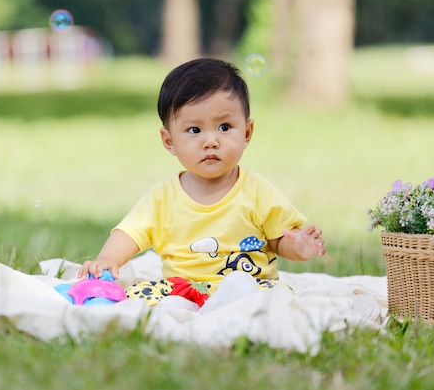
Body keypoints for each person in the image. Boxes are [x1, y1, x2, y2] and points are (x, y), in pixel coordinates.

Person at [78, 58, 325, 313]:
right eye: (194, 130)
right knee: (139, 295)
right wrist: (108, 259)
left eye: (224, 127)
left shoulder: (258, 191)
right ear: (169, 141)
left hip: (248, 283)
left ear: (247, 133)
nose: (211, 141)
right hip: (184, 287)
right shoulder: (163, 197)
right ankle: (196, 307)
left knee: (277, 296)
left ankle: (231, 301)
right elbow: (130, 233)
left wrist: (298, 248)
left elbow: (279, 240)